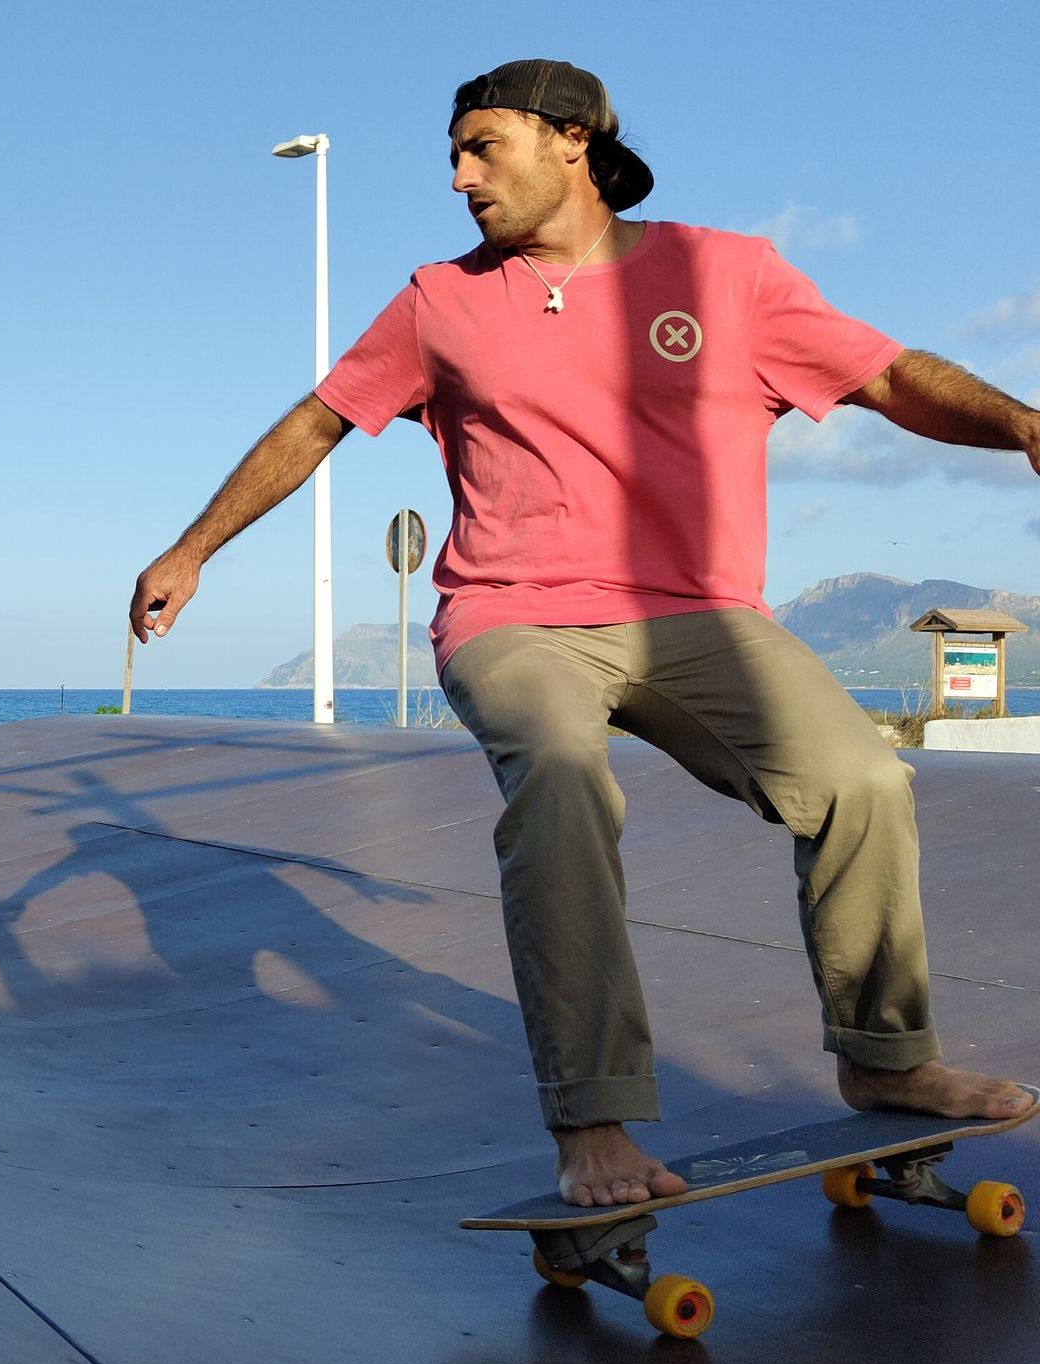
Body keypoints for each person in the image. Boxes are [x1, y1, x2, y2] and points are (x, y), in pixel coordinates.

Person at [130, 59, 1038, 1208]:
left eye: (480, 148)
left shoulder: (726, 275)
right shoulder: (439, 302)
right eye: (452, 159)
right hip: (513, 620)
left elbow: (887, 376)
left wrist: (1021, 426)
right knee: (562, 779)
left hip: (699, 618)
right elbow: (319, 420)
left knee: (863, 780)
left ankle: (887, 1062)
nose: (460, 178)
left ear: (571, 142)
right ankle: (595, 1119)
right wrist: (193, 547)